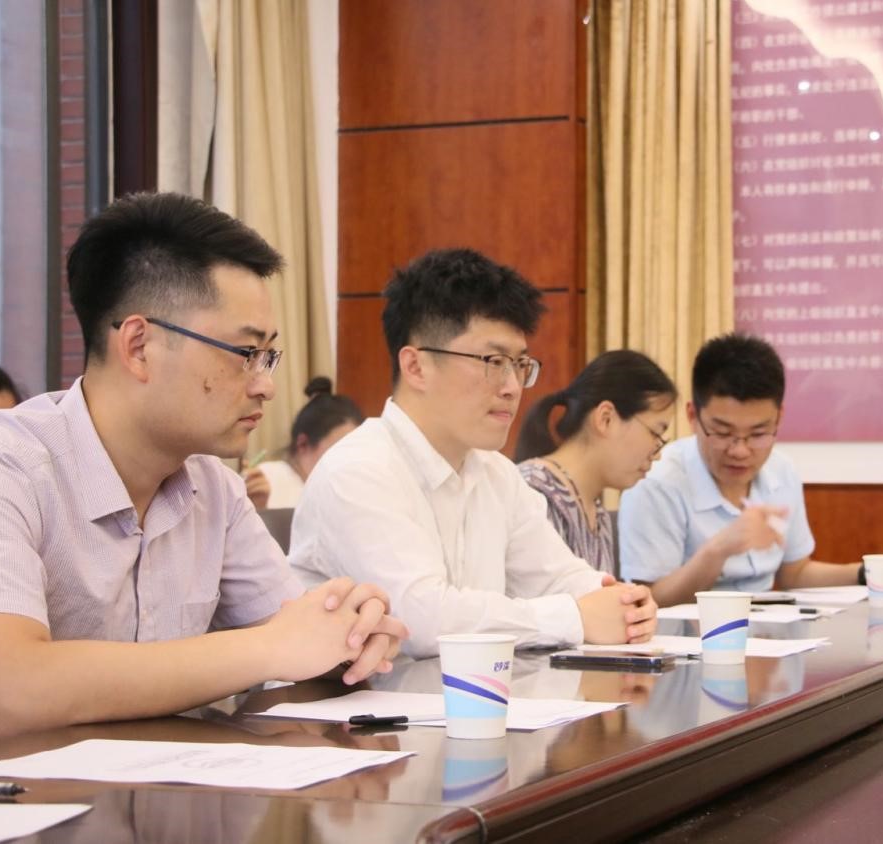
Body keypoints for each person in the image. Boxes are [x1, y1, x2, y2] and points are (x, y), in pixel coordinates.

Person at [0, 192, 407, 741]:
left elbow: (298, 638)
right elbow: (8, 692)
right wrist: (268, 648)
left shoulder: (214, 490)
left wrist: (351, 635)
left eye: (269, 357)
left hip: (173, 785)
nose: (266, 385)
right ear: (139, 347)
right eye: (246, 353)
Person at [290, 247, 657, 657]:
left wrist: (622, 603)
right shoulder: (358, 469)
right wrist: (575, 617)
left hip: (464, 693)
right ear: (416, 367)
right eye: (494, 361)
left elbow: (557, 577)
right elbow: (420, 620)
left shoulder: (496, 473)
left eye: (520, 364)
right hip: (350, 698)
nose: (512, 387)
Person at [619, 333, 883, 607]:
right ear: (693, 416)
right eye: (722, 432)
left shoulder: (781, 470)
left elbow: (794, 574)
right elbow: (651, 599)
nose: (740, 450)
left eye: (759, 434)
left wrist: (866, 573)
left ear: (780, 418)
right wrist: (719, 549)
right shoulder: (657, 482)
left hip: (767, 640)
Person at [515, 350, 678, 577]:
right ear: (606, 419)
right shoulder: (535, 493)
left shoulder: (596, 512)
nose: (657, 454)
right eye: (655, 433)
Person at [247, 376, 364, 510]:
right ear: (302, 444)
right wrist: (258, 506)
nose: (347, 461)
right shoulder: (265, 480)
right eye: (338, 452)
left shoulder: (349, 490)